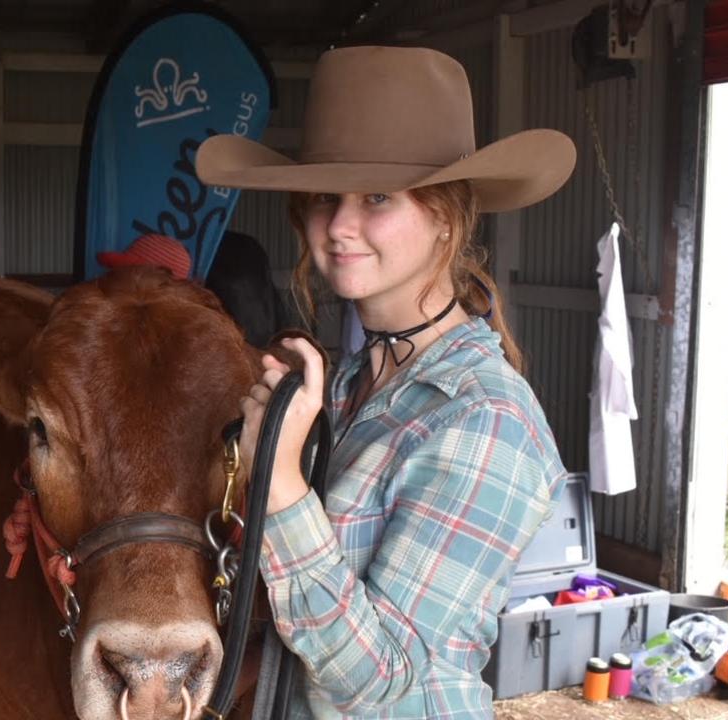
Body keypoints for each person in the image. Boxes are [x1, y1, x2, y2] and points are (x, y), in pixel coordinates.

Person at [195, 46, 576, 718]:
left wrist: (282, 485)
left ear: (446, 221)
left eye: (376, 198)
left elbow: (380, 681)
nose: (339, 227)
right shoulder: (344, 386)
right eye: (324, 198)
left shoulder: (484, 420)